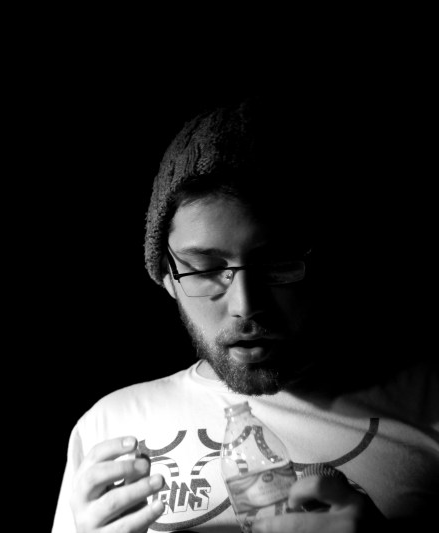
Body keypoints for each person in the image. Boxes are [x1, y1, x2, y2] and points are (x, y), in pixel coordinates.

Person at [51, 96, 438, 532]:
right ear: (166, 275)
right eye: (205, 269)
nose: (246, 305)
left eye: (276, 264)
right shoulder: (109, 429)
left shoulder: (427, 403)